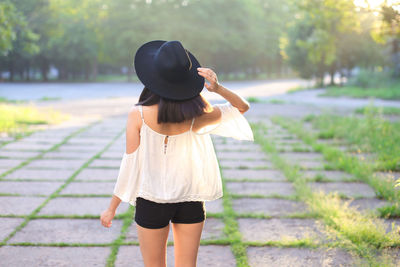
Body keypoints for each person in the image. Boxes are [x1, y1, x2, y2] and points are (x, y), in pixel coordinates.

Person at [100, 40, 254, 267]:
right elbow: (242, 108)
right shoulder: (199, 115)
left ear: (153, 77)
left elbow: (130, 164)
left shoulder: (138, 115)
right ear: (187, 79)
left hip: (150, 200)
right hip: (190, 199)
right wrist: (217, 88)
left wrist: (112, 207)